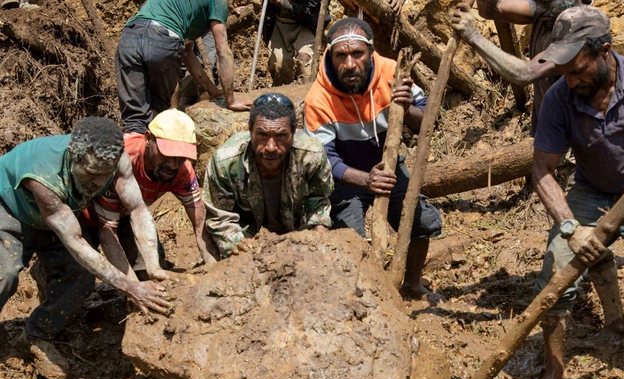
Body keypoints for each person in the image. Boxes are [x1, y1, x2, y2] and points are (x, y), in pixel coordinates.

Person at [0, 117, 174, 379]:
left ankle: (35, 336)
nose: (98, 183)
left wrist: (154, 267)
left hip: (59, 217)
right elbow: (76, 241)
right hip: (10, 210)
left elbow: (138, 209)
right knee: (5, 275)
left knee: (80, 280)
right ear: (73, 157)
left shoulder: (117, 160)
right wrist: (130, 287)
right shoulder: (43, 175)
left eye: (105, 174)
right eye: (91, 174)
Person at [530, 5, 624, 379]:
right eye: (564, 73)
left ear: (605, 51)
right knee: (556, 269)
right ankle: (554, 367)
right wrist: (571, 227)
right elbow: (542, 169)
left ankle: (622, 330)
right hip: (591, 191)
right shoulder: (560, 98)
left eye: (578, 70)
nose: (571, 80)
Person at [303, 18, 443, 299]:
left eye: (357, 54)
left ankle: (412, 284)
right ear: (330, 56)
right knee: (349, 240)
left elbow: (428, 121)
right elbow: (325, 160)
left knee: (422, 223)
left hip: (389, 166)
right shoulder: (318, 99)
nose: (350, 64)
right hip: (346, 178)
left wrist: (404, 107)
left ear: (370, 52)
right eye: (341, 56)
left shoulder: (392, 71)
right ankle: (359, 296)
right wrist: (366, 180)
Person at [88, 110, 218, 279]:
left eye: (181, 157)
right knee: (77, 279)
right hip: (85, 211)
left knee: (150, 275)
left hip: (129, 212)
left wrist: (214, 271)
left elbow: (199, 222)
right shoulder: (120, 158)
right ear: (148, 139)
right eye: (167, 154)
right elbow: (107, 232)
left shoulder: (182, 171)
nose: (173, 165)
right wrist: (134, 288)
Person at [203, 93, 333, 258]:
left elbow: (320, 201)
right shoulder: (225, 162)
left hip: (297, 234)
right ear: (250, 130)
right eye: (262, 135)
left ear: (293, 133)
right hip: (247, 237)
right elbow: (219, 217)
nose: (271, 147)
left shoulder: (311, 155)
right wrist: (236, 242)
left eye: (281, 136)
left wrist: (317, 233)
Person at [451, 0, 592, 137]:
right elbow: (489, 9)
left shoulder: (578, 35)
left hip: (571, 144)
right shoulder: (549, 10)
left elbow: (524, 74)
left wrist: (474, 36)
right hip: (547, 135)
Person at [115, 0, 251, 135]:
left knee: (134, 118)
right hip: (162, 40)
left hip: (130, 37)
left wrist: (213, 90)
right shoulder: (219, 2)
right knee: (156, 111)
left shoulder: (185, 9)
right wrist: (231, 100)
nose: (237, 5)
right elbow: (223, 50)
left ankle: (132, 150)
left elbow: (188, 54)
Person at [262, 0, 328, 86]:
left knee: (304, 59)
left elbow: (308, 12)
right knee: (279, 65)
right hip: (281, 24)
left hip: (307, 25)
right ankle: (283, 94)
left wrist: (282, 3)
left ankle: (307, 92)